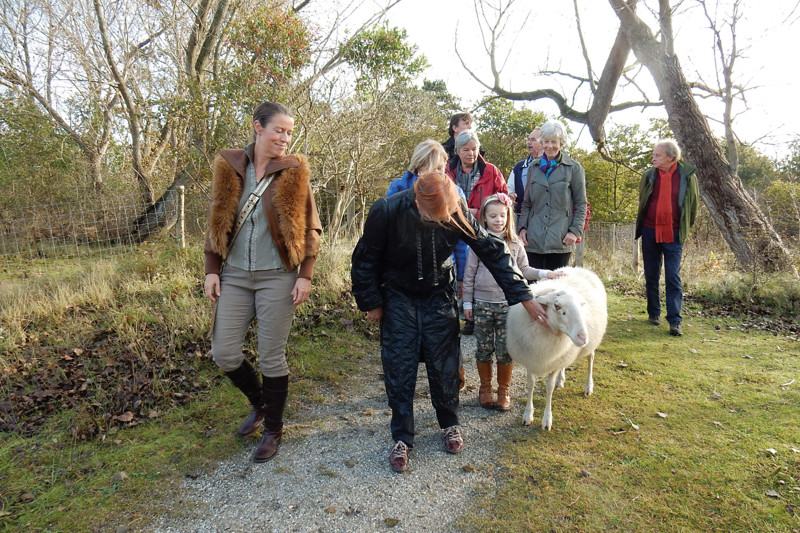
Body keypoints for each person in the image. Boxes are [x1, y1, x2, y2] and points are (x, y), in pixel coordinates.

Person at [351, 171, 548, 473]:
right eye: (435, 215)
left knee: (444, 364)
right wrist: (371, 303)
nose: (442, 220)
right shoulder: (386, 211)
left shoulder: (454, 210)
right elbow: (364, 259)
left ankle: (449, 423)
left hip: (438, 295)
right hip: (398, 296)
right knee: (399, 366)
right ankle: (402, 436)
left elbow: (493, 252)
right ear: (418, 200)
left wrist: (525, 296)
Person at [203, 101, 322, 463]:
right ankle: (259, 404)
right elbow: (217, 219)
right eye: (278, 131)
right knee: (223, 353)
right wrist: (211, 268)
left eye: (289, 132)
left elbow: (311, 227)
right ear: (258, 127)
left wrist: (305, 275)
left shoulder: (295, 170)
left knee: (272, 356)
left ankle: (273, 429)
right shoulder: (230, 166)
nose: (285, 138)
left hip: (278, 277)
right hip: (235, 276)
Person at [462, 193, 565, 410]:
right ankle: (485, 388)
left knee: (505, 349)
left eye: (502, 216)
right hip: (482, 304)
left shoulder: (516, 243)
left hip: (508, 307)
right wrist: (468, 303)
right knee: (483, 347)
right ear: (484, 219)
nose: (498, 220)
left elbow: (524, 271)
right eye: (493, 216)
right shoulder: (478, 243)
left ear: (508, 217)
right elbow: (469, 275)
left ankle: (503, 390)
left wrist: (547, 274)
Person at [386, 139, 469, 391]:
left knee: (446, 326)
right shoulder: (397, 189)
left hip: (443, 273)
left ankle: (455, 371)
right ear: (420, 167)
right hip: (405, 275)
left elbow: (462, 243)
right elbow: (388, 235)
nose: (441, 174)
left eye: (443, 168)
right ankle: (403, 379)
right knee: (406, 331)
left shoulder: (455, 193)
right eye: (436, 168)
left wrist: (462, 277)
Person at [446, 129, 508, 335]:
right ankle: (458, 314)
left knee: (482, 271)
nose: (471, 154)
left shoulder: (491, 171)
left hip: (482, 228)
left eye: (474, 149)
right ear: (457, 151)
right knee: (461, 272)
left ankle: (478, 317)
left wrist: (480, 211)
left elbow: (503, 197)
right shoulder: (448, 171)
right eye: (466, 149)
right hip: (453, 227)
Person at [635, 139, 699, 337]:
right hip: (649, 230)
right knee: (651, 273)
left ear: (671, 158)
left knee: (672, 276)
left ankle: (675, 321)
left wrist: (684, 228)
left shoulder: (687, 176)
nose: (653, 158)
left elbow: (693, 203)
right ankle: (653, 313)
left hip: (674, 233)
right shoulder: (649, 175)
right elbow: (643, 199)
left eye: (658, 155)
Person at [518, 119, 587, 270]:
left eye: (554, 142)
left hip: (561, 240)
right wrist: (522, 228)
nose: (550, 146)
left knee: (555, 288)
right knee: (533, 286)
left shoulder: (574, 169)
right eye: (546, 141)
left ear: (561, 143)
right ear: (541, 142)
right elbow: (527, 203)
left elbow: (581, 204)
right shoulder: (533, 168)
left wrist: (574, 231)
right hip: (533, 240)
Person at [508, 127, 542, 216]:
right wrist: (510, 195)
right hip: (521, 218)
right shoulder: (519, 167)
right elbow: (509, 189)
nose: (529, 143)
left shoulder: (553, 166)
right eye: (528, 139)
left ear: (543, 143)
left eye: (533, 140)